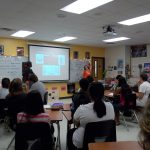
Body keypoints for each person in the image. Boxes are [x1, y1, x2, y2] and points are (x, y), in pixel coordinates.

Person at [67, 82, 115, 149]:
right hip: (106, 140)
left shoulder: (82, 109)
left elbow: (75, 122)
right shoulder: (110, 106)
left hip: (84, 143)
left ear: (89, 94)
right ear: (103, 93)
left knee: (70, 133)